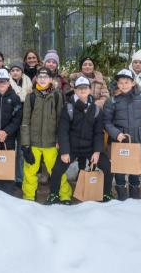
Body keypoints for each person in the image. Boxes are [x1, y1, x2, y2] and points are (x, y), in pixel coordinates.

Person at [48, 76, 112, 204]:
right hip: (72, 147)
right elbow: (63, 131)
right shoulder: (68, 108)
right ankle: (54, 195)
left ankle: (106, 194)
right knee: (57, 170)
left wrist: (97, 152)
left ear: (89, 90)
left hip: (89, 148)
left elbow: (98, 133)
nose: (82, 90)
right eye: (79, 88)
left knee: (107, 167)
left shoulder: (96, 110)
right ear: (75, 90)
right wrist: (65, 151)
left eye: (85, 88)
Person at [103, 69, 141, 200]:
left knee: (135, 168)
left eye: (126, 82)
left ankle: (134, 194)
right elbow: (106, 121)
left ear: (133, 83)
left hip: (138, 139)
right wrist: (116, 134)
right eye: (120, 82)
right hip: (120, 140)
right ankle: (121, 193)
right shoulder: (112, 101)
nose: (123, 85)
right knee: (120, 168)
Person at [20, 67, 72, 202]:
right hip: (33, 143)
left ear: (50, 79)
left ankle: (64, 195)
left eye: (46, 76)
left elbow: (61, 120)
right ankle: (29, 197)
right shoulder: (30, 96)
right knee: (30, 172)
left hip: (51, 143)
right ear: (36, 78)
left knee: (57, 171)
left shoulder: (56, 95)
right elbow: (25, 122)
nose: (43, 79)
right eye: (40, 76)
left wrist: (59, 140)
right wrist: (25, 145)